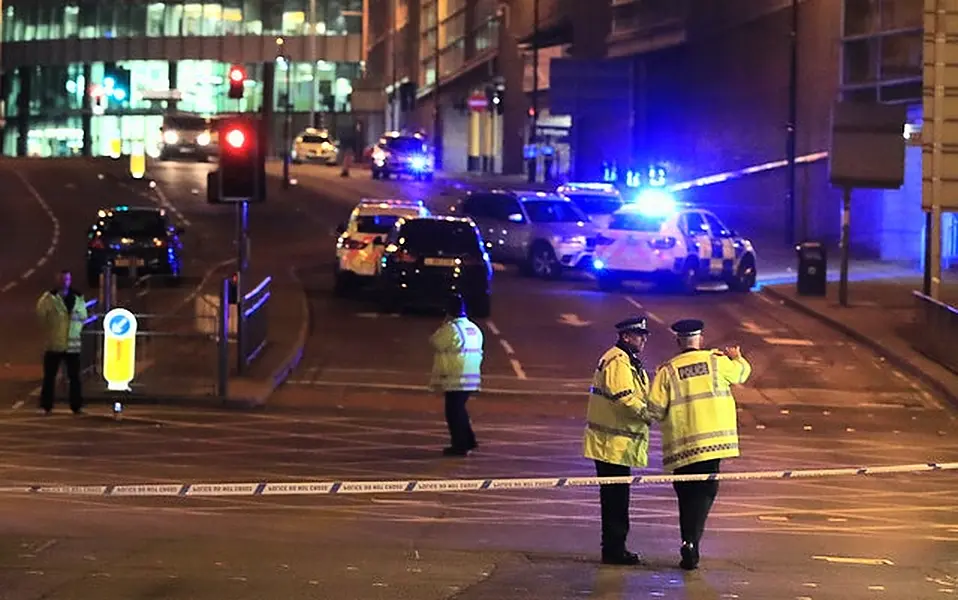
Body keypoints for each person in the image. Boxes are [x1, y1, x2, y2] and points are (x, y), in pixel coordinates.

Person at [647, 319, 752, 570]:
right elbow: (742, 374)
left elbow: (655, 410)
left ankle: (688, 541)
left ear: (678, 341)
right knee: (705, 492)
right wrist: (737, 357)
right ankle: (692, 542)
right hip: (712, 443)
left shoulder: (668, 370)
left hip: (682, 446)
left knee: (686, 496)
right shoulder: (716, 360)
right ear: (701, 340)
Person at [583, 316, 654, 566]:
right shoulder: (617, 361)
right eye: (639, 335)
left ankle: (615, 547)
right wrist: (648, 414)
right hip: (610, 443)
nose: (644, 339)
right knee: (615, 501)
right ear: (626, 337)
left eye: (644, 335)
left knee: (617, 499)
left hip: (616, 444)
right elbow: (624, 397)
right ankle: (614, 550)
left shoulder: (627, 360)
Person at [429, 294, 483, 456]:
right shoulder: (474, 328)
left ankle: (460, 445)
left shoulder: (452, 328)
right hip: (471, 376)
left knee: (454, 412)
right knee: (459, 409)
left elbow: (435, 341)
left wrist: (444, 323)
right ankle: (468, 440)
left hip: (455, 377)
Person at [36, 270, 88, 415]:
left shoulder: (78, 297)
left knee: (75, 378)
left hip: (72, 345)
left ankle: (76, 406)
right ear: (56, 280)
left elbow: (83, 316)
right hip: (54, 343)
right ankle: (46, 406)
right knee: (49, 377)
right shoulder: (48, 298)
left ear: (70, 280)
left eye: (67, 279)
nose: (64, 282)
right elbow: (41, 316)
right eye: (62, 279)